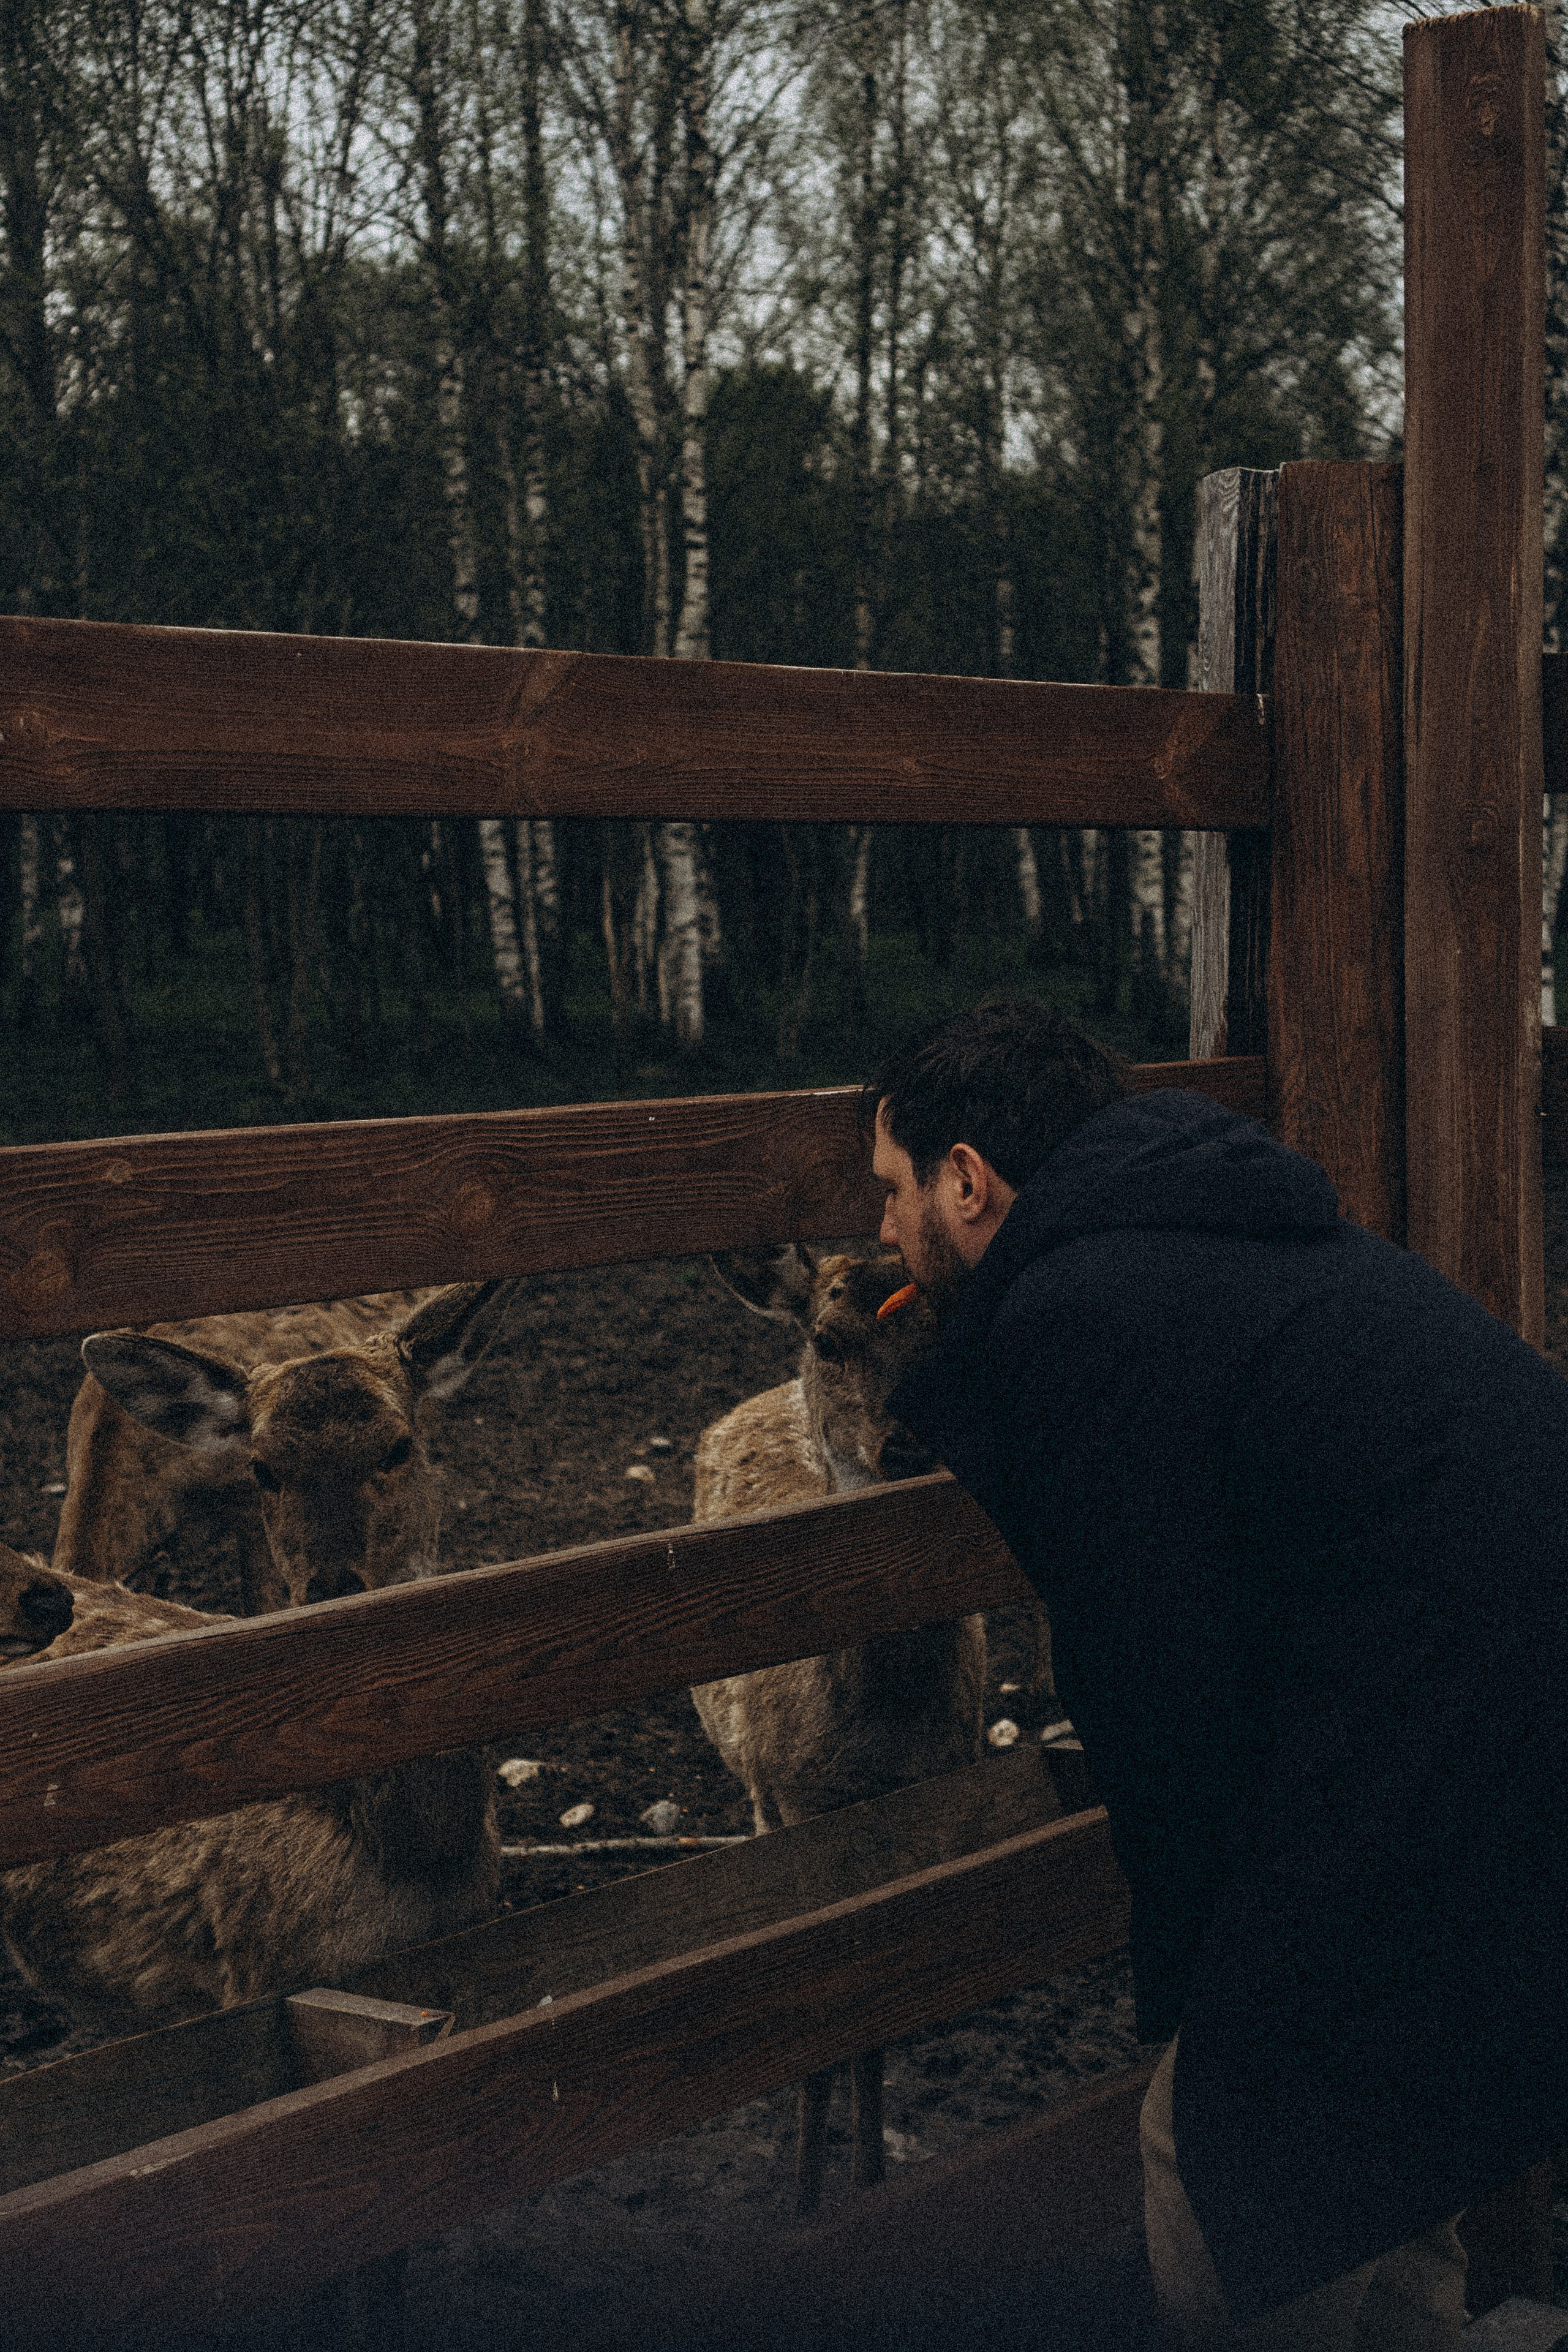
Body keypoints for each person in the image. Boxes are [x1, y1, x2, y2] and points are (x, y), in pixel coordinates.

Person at [866, 997, 1568, 2352]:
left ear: (968, 1180)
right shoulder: (1215, 1233)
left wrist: (1199, 1969)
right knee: (1370, 2117)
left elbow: (1151, 1681)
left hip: (1448, 1726)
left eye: (892, 1191)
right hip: (1488, 1711)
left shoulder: (1085, 1309)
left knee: (1216, 2148)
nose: (882, 1233)